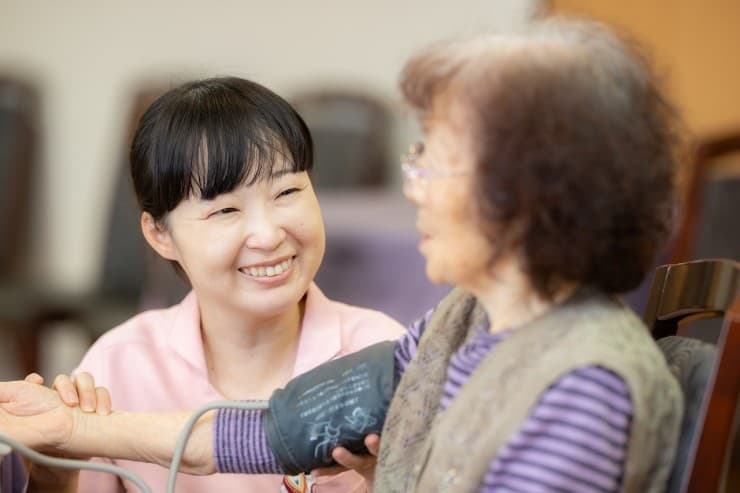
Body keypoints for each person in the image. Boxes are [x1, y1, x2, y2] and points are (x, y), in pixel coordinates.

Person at [0, 17, 684, 492]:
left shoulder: (582, 381)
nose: (410, 188)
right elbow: (280, 427)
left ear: (530, 193)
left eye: (432, 162)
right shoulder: (457, 324)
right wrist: (79, 427)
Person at [10, 77, 405, 493]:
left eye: (287, 191)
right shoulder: (119, 365)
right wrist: (55, 473)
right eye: (225, 210)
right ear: (160, 234)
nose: (268, 235)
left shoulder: (378, 356)